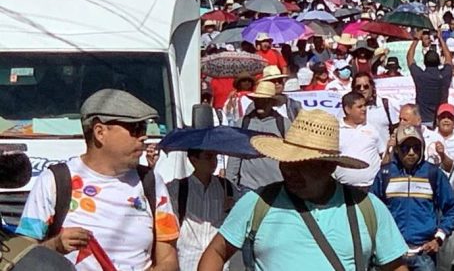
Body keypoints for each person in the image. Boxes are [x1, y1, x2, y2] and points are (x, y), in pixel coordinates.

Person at [198, 110, 409, 271]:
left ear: (329, 166)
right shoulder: (258, 202)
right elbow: (216, 252)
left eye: (301, 164)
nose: (289, 171)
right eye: (286, 162)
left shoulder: (366, 207)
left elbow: (395, 265)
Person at [15, 89, 180, 270]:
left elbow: (168, 260)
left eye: (144, 128)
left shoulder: (151, 183)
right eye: (135, 128)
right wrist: (55, 246)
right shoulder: (54, 181)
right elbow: (20, 256)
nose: (144, 136)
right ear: (100, 132)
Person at [370, 125, 454, 271]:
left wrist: (439, 238)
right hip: (392, 255)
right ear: (397, 149)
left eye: (416, 148)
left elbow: (452, 209)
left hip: (424, 254)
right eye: (406, 148)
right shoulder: (385, 174)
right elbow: (372, 211)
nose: (411, 153)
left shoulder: (433, 174)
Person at [167, 150, 236, 271]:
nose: (213, 161)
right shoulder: (177, 188)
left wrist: (231, 207)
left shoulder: (227, 188)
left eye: (215, 156)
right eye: (208, 156)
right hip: (187, 261)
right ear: (193, 160)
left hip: (218, 264)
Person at [227, 81, 290, 192]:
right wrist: (230, 184)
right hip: (248, 186)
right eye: (258, 100)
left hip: (277, 187)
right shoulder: (242, 123)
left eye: (265, 100)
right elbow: (235, 155)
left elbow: (291, 157)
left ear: (272, 102)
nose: (261, 103)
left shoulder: (284, 124)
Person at [333, 92, 386, 189]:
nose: (364, 109)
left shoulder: (372, 128)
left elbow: (384, 153)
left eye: (365, 105)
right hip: (344, 188)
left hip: (372, 188)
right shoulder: (335, 129)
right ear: (348, 109)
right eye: (359, 106)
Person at [407, 33, 453, 126]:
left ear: (424, 62)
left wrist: (416, 39)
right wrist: (440, 38)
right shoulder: (445, 74)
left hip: (423, 121)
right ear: (439, 61)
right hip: (440, 121)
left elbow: (409, 58)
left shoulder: (420, 76)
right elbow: (448, 58)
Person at [353, 72, 399, 145]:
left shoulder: (385, 104)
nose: (362, 89)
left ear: (372, 87)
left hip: (384, 154)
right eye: (358, 87)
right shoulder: (349, 107)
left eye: (366, 86)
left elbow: (396, 129)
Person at [424, 103, 454, 173]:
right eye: (443, 117)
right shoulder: (427, 138)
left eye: (449, 117)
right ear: (437, 121)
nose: (446, 120)